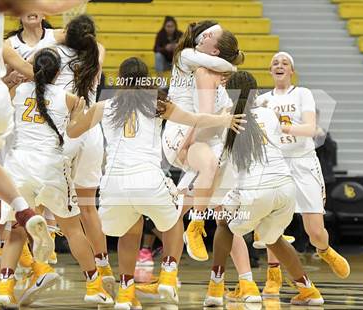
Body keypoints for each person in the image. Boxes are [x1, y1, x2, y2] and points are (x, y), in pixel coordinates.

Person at [66, 57, 246, 308]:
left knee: (131, 228)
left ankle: (126, 293)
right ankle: (169, 275)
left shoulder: (103, 106)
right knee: (174, 221)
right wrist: (223, 120)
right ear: (145, 80)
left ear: (121, 79)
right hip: (148, 179)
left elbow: (73, 132)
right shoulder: (158, 103)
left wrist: (75, 112)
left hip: (113, 186)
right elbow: (195, 119)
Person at [0, 48, 114, 307]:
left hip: (19, 166)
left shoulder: (17, 93)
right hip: (50, 167)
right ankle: (94, 285)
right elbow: (73, 133)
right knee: (72, 229)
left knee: (15, 229)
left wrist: (11, 81)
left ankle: (4, 287)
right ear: (58, 73)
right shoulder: (68, 98)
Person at [204, 71, 324, 306]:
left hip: (257, 189)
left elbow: (218, 170)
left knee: (224, 223)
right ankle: (309, 291)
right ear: (256, 93)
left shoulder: (227, 122)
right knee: (274, 237)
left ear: (229, 95)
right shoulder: (269, 114)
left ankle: (215, 288)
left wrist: (202, 198)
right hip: (286, 188)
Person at [0, 0, 87, 292]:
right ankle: (36, 263)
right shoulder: (7, 43)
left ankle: (26, 262)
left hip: (19, 128)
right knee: (10, 204)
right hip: (12, 118)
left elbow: (86, 37)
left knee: (4, 208)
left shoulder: (56, 36)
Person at [255, 52, 350, 296]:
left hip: (303, 162)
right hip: (276, 163)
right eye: (275, 63)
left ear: (292, 71)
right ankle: (273, 276)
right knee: (271, 224)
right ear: (270, 70)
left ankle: (325, 250)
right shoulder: (262, 100)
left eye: (284, 63)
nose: (279, 65)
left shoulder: (303, 94)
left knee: (315, 231)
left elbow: (310, 129)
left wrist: (282, 125)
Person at [162, 21, 244, 263]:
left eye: (212, 35)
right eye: (207, 33)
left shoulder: (215, 74)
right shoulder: (188, 57)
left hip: (205, 137)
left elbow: (223, 110)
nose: (207, 36)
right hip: (183, 132)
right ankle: (195, 227)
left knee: (220, 213)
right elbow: (204, 117)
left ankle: (245, 281)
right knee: (209, 173)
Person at [54, 14, 115, 296]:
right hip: (91, 133)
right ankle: (103, 266)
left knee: (54, 203)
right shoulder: (98, 52)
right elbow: (94, 43)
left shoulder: (54, 52)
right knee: (88, 208)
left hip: (67, 130)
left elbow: (53, 37)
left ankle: (40, 261)